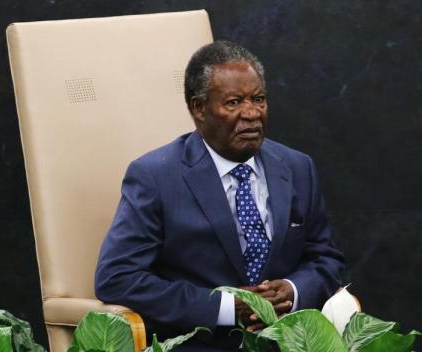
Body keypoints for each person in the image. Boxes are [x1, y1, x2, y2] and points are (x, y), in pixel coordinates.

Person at [95, 40, 345, 351]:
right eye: (233, 102)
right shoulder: (155, 176)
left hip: (288, 343)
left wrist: (294, 291)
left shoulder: (297, 167)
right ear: (198, 108)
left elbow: (326, 259)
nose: (251, 113)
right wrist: (226, 308)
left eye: (259, 99)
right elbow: (117, 277)